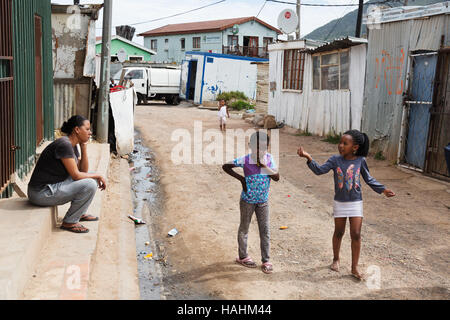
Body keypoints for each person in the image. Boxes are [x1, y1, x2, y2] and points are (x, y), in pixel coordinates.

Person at [297, 129, 395, 280]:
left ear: (355, 147)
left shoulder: (360, 161)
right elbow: (319, 170)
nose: (341, 145)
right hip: (340, 202)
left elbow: (369, 179)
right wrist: (308, 158)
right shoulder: (334, 160)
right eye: (340, 142)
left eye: (345, 143)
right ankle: (336, 259)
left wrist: (383, 190)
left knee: (356, 234)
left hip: (356, 202)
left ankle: (354, 267)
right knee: (339, 232)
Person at [27, 115, 107, 234]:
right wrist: (98, 175)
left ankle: (79, 212)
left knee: (91, 177)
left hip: (52, 186)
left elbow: (83, 171)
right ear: (77, 130)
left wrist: (83, 147)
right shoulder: (64, 144)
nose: (90, 133)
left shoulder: (72, 144)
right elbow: (76, 175)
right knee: (90, 183)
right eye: (87, 129)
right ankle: (70, 222)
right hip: (40, 193)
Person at [222, 131, 279, 274]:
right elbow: (226, 166)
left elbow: (276, 177)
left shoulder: (269, 159)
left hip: (263, 202)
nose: (261, 150)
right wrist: (241, 179)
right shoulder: (245, 160)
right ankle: (243, 256)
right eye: (257, 147)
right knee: (244, 228)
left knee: (265, 231)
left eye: (264, 147)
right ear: (250, 146)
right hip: (247, 200)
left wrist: (263, 165)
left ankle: (266, 260)